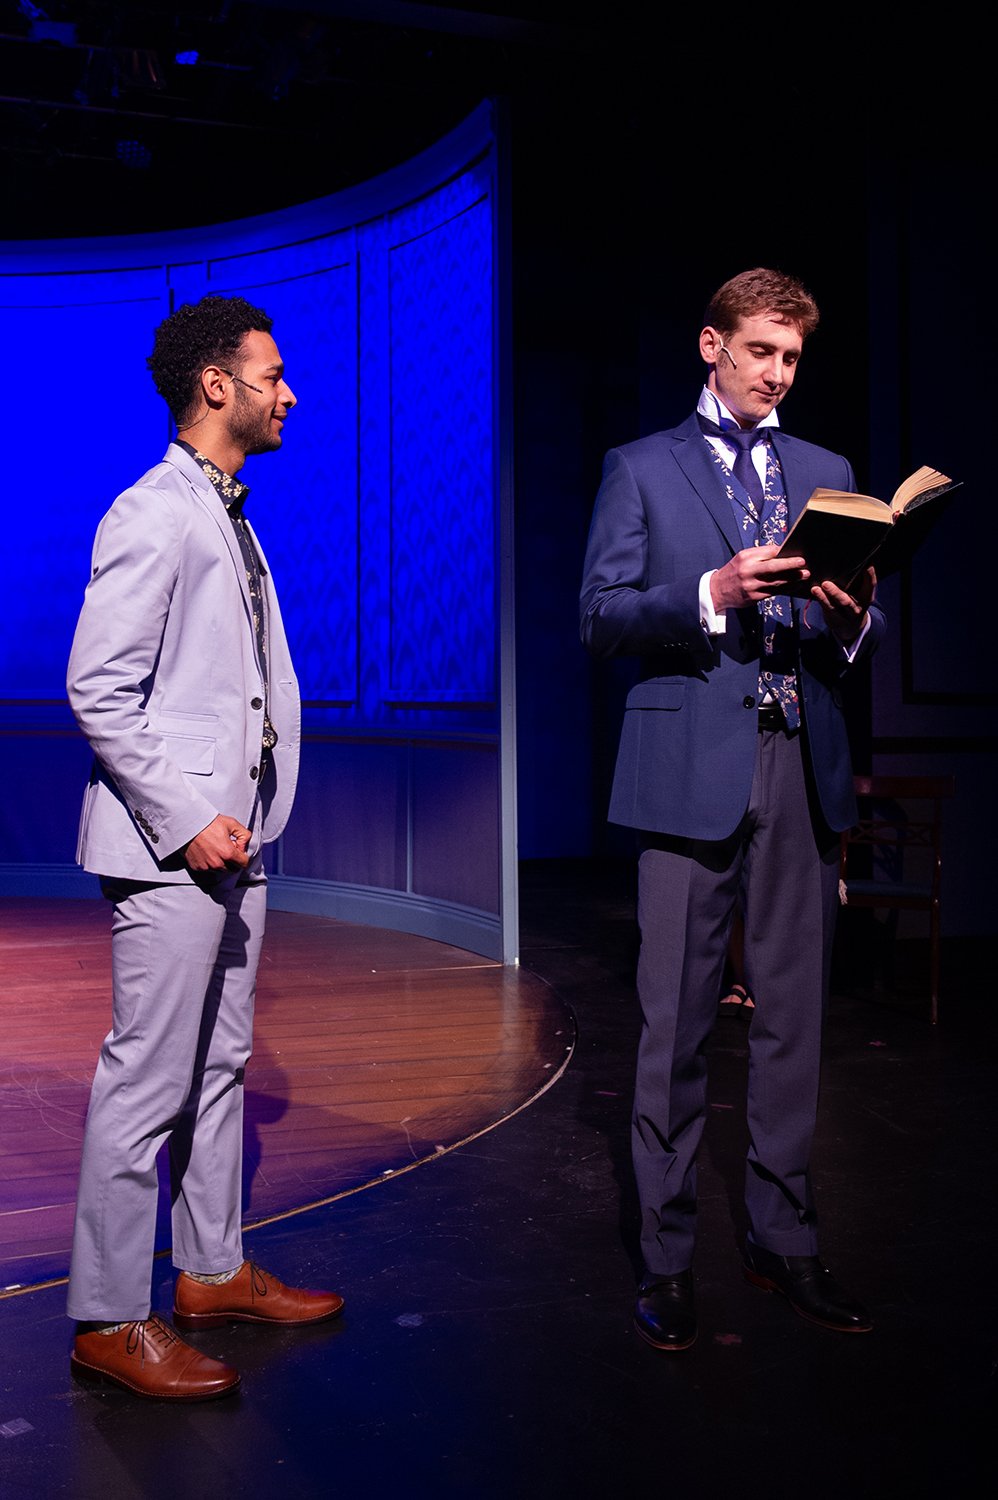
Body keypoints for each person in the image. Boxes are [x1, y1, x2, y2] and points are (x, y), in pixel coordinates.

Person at [579, 268, 885, 1351]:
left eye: (792, 357)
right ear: (711, 346)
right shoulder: (640, 467)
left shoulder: (828, 473)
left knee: (794, 1021)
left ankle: (783, 1238)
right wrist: (708, 593)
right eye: (760, 350)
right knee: (674, 1024)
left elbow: (849, 633)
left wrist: (852, 615)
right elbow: (599, 617)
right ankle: (666, 1258)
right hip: (685, 770)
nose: (777, 373)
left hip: (799, 764)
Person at [65, 295, 343, 1402]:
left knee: (220, 1064)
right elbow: (99, 688)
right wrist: (186, 819)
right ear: (216, 385)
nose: (289, 394)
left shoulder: (229, 515)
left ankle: (212, 1270)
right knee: (147, 1078)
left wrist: (238, 815)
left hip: (239, 840)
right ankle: (106, 1316)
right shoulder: (153, 510)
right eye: (272, 376)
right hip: (172, 848)